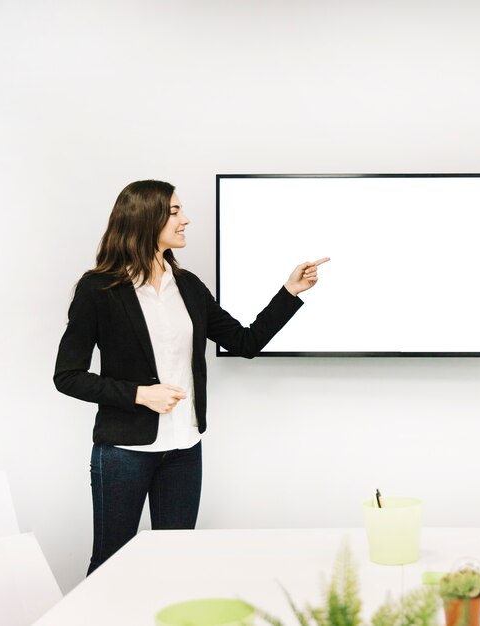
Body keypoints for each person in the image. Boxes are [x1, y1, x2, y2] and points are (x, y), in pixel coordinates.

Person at [53, 179, 329, 574]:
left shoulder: (188, 286)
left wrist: (290, 291)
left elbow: (244, 341)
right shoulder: (99, 289)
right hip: (123, 453)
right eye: (175, 212)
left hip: (184, 447)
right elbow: (68, 376)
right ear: (145, 218)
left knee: (177, 562)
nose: (186, 220)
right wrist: (139, 395)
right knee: (111, 564)